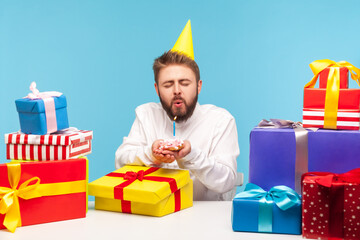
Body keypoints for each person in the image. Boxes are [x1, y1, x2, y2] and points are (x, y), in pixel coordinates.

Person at [115, 20, 240, 200]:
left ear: (198, 86)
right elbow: (120, 161)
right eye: (168, 84)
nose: (177, 90)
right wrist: (151, 154)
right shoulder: (146, 114)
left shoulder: (221, 121)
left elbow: (226, 181)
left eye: (184, 83)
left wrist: (191, 154)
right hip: (154, 213)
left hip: (203, 217)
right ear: (157, 89)